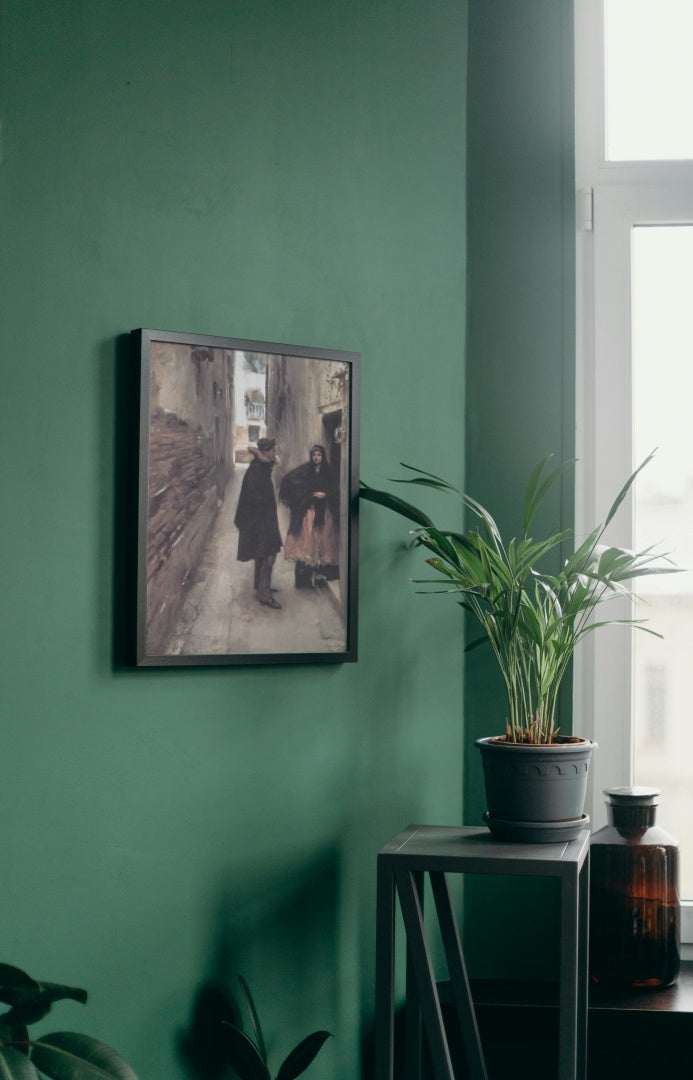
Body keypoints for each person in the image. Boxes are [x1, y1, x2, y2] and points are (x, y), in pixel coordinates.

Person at [278, 444, 340, 588]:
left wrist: (326, 495)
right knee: (308, 542)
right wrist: (309, 496)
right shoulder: (306, 470)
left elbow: (336, 489)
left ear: (323, 456)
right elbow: (291, 480)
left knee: (322, 542)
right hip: (310, 511)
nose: (316, 457)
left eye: (319, 455)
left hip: (324, 512)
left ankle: (319, 577)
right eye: (314, 455)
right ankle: (303, 580)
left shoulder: (329, 471)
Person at [234, 437, 282, 609]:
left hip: (264, 518)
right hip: (260, 521)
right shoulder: (257, 470)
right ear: (266, 451)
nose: (275, 453)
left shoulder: (261, 466)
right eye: (273, 450)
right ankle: (264, 595)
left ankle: (260, 586)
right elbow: (254, 497)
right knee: (269, 555)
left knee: (262, 553)